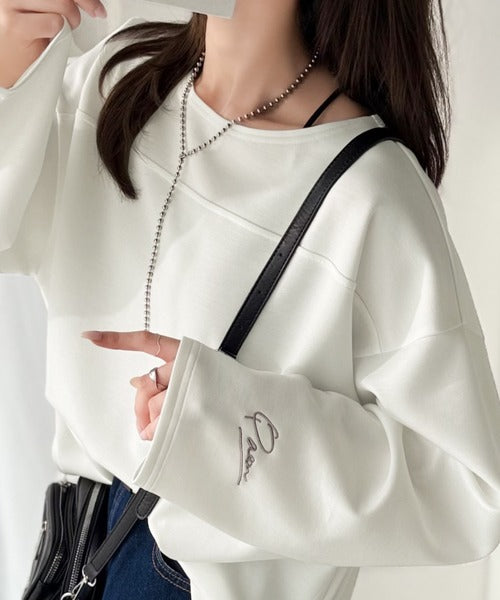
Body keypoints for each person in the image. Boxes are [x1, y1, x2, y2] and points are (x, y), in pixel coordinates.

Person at [1, 1, 500, 599]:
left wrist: (224, 419)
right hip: (76, 550)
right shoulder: (115, 77)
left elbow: (467, 491)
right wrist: (9, 61)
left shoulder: (370, 194)